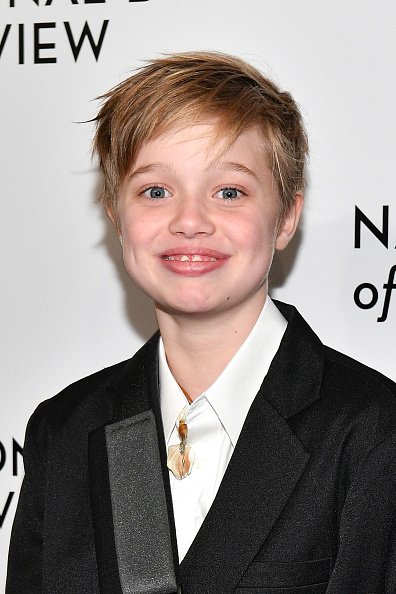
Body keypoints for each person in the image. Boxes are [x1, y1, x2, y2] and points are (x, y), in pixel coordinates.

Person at [6, 51, 396, 594]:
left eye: (229, 192)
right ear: (116, 215)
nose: (189, 221)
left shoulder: (374, 433)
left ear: (286, 217)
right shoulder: (64, 430)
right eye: (156, 191)